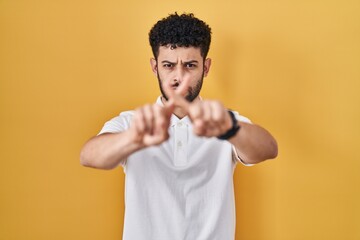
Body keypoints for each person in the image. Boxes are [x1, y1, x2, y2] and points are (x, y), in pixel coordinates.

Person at [80, 12, 278, 240]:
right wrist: (133, 138)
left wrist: (229, 128)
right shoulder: (131, 122)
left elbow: (268, 149)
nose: (179, 77)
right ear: (155, 67)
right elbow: (89, 156)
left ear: (206, 67)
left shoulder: (224, 122)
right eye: (168, 65)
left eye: (190, 65)